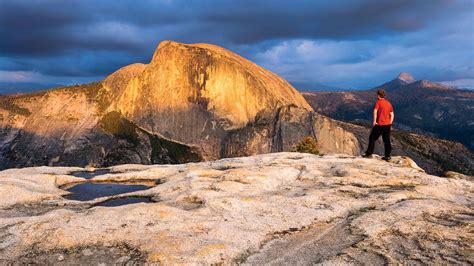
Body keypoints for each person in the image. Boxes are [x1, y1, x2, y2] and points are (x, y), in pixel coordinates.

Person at [363, 89, 394, 161]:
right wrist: (390, 123)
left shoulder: (378, 102)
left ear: (378, 95)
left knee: (372, 138)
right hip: (387, 125)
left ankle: (369, 154)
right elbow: (392, 114)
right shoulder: (388, 103)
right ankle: (388, 156)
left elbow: (375, 111)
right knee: (387, 141)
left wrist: (374, 121)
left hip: (379, 124)